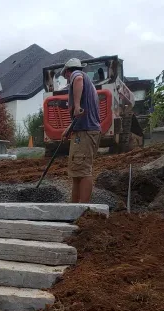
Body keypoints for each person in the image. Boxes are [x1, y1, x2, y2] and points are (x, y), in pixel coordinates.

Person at [62, 58, 101, 203]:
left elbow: (77, 79)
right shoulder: (88, 84)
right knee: (77, 172)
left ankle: (82, 210)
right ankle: (74, 208)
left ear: (67, 71)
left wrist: (76, 105)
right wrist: (69, 128)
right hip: (84, 130)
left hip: (85, 132)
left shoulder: (76, 75)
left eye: (66, 76)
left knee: (83, 171)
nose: (67, 80)